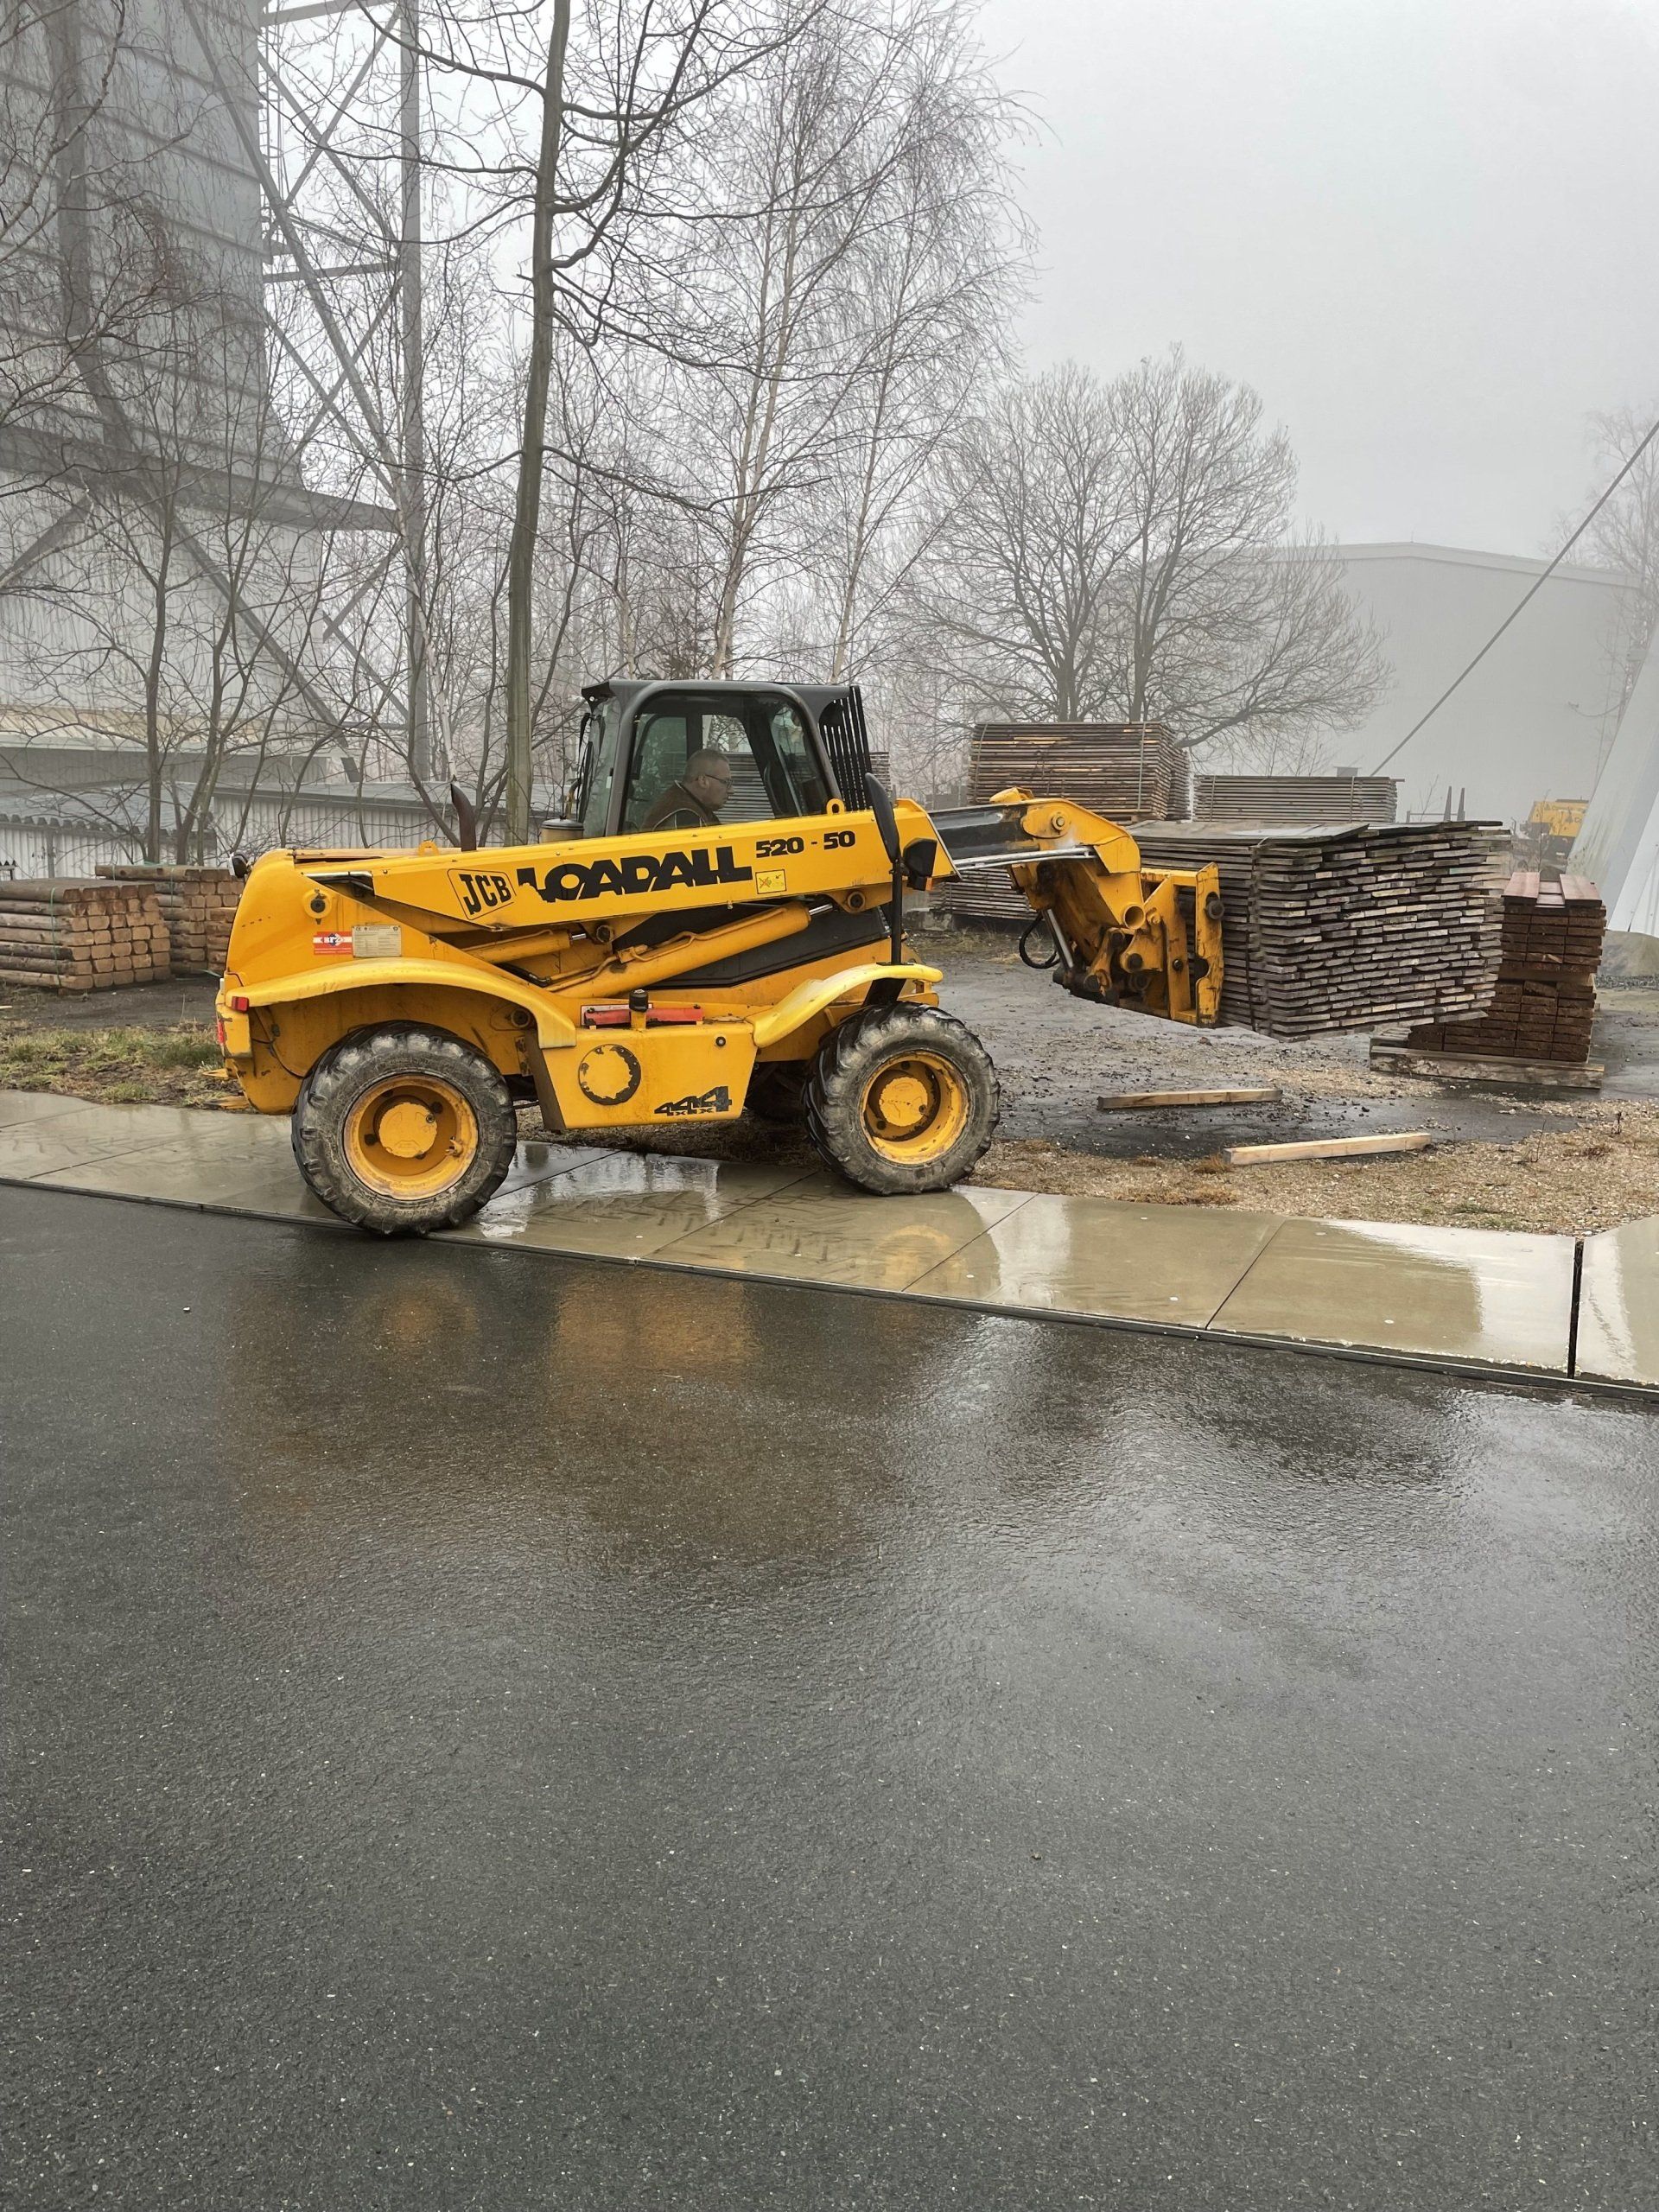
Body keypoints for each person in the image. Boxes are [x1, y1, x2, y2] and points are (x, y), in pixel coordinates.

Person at [641, 747, 734, 832]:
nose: (731, 791)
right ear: (703, 781)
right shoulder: (686, 817)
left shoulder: (679, 803)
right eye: (725, 782)